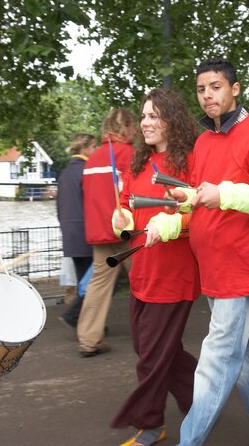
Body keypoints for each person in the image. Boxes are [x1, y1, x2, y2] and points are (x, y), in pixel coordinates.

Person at [150, 58, 249, 446]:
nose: (207, 95)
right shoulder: (203, 141)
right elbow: (204, 198)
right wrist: (185, 200)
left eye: (215, 87)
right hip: (214, 266)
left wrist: (225, 194)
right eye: (201, 89)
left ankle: (189, 441)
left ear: (235, 89)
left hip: (243, 265)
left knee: (217, 360)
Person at [110, 88, 200, 446]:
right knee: (159, 349)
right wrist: (122, 218)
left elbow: (201, 215)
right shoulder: (137, 162)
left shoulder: (190, 162)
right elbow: (125, 207)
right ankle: (202, 397)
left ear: (171, 120)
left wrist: (174, 223)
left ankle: (149, 425)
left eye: (153, 116)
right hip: (141, 272)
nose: (145, 123)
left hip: (174, 275)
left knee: (151, 354)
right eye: (143, 116)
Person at [78, 109, 137, 357]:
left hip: (100, 232)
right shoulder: (130, 154)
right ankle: (152, 333)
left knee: (98, 285)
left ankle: (88, 339)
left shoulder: (92, 160)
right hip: (126, 231)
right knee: (144, 281)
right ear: (126, 128)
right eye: (133, 126)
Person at [58, 133, 97, 328]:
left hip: (70, 234)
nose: (95, 151)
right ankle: (75, 316)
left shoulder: (65, 173)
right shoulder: (87, 170)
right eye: (93, 147)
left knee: (85, 279)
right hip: (86, 234)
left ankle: (85, 323)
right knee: (94, 280)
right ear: (85, 149)